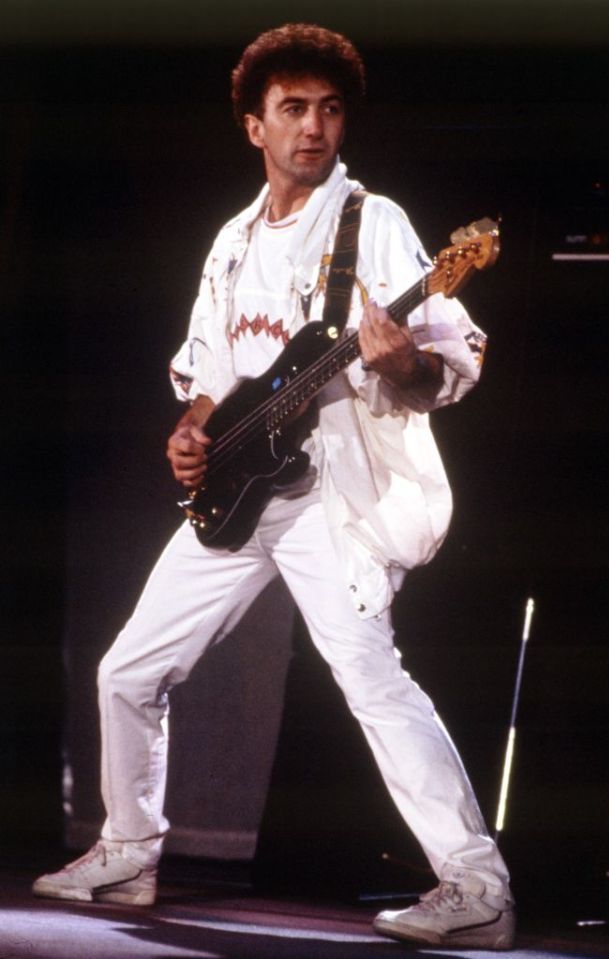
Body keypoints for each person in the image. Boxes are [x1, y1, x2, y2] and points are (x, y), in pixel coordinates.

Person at [33, 24, 515, 948]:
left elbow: (452, 358)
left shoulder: (371, 222)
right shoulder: (232, 240)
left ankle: (476, 883)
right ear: (255, 125)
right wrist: (190, 433)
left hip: (334, 495)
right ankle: (129, 850)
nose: (314, 127)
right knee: (128, 671)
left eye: (329, 110)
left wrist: (404, 361)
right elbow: (213, 370)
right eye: (293, 109)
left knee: (372, 678)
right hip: (241, 488)